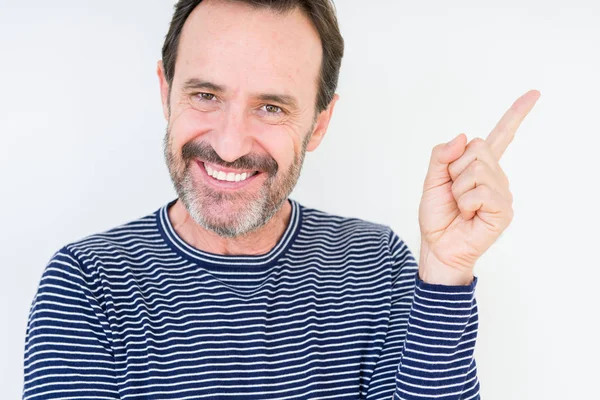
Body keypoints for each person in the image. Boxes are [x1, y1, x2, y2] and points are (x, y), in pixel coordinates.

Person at [22, 0, 540, 399]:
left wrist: (446, 272)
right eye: (205, 95)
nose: (228, 144)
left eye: (271, 107)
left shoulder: (376, 263)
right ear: (166, 91)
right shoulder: (86, 282)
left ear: (319, 122)